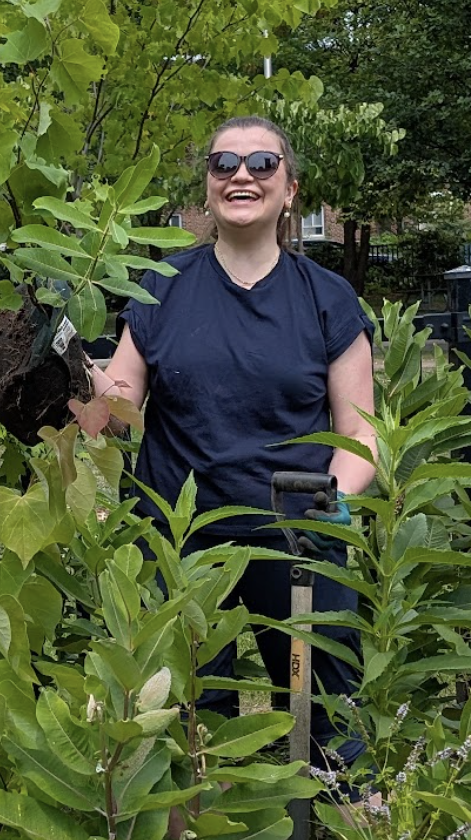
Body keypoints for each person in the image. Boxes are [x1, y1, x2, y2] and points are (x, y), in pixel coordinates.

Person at [89, 116, 377, 766]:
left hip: (298, 537)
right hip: (182, 541)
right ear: (208, 185)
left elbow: (360, 431)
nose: (241, 174)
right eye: (224, 163)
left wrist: (338, 495)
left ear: (290, 189)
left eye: (261, 163)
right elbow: (117, 410)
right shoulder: (160, 287)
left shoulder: (327, 298)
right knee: (184, 723)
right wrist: (66, 362)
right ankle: (194, 834)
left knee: (328, 719)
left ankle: (353, 827)